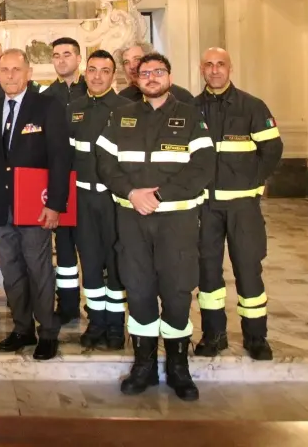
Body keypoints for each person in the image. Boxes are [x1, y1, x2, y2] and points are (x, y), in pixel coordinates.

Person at [96, 52, 214, 401]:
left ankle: (178, 367)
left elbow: (203, 167)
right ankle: (143, 365)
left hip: (175, 221)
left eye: (157, 72)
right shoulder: (121, 116)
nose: (150, 78)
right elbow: (104, 162)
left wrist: (159, 195)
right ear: (136, 80)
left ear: (169, 76)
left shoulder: (191, 116)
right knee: (139, 289)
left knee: (177, 291)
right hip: (132, 220)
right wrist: (132, 193)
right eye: (144, 73)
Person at [0, 49, 71, 361]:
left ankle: (47, 332)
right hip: (2, 207)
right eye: (4, 70)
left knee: (39, 269)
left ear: (28, 73)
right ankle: (22, 329)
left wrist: (56, 204)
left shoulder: (47, 107)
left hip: (36, 206)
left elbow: (60, 158)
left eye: (16, 70)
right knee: (12, 271)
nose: (9, 76)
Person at [194, 47, 283, 361]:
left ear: (230, 68)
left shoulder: (252, 107)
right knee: (207, 273)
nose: (215, 70)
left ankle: (256, 337)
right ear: (201, 69)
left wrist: (254, 184)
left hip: (243, 208)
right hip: (205, 208)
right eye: (209, 65)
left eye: (220, 64)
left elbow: (272, 150)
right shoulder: (191, 108)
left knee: (248, 270)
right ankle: (213, 334)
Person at [68, 50, 129, 350]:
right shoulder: (75, 108)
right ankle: (96, 321)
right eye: (92, 69)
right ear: (85, 70)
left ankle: (116, 325)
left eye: (104, 71)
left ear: (113, 75)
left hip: (114, 201)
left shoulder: (127, 108)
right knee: (90, 260)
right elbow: (65, 156)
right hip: (82, 198)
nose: (96, 76)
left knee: (114, 262)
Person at [43, 37, 88, 323]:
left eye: (67, 54)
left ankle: (99, 310)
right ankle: (67, 305)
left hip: (89, 184)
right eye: (56, 55)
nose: (61, 60)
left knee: (93, 251)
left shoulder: (92, 88)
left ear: (79, 58)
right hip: (60, 184)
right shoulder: (47, 96)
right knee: (65, 250)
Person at [118, 42, 194, 103]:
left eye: (137, 59)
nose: (132, 66)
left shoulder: (181, 96)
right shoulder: (122, 98)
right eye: (126, 62)